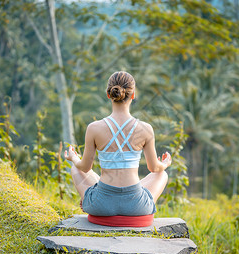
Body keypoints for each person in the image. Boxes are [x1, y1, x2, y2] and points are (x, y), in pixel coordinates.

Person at [64, 71, 172, 216]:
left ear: (109, 94)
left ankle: (89, 200)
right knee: (162, 174)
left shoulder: (94, 128)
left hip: (101, 205)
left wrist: (73, 157)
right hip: (136, 206)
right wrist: (165, 163)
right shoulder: (146, 129)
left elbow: (84, 167)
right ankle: (121, 199)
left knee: (76, 169)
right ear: (133, 95)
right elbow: (154, 168)